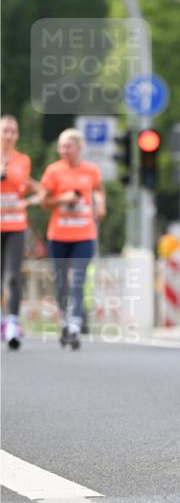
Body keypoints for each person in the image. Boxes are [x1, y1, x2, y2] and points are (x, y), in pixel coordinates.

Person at [40, 128, 106, 349]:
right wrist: (63, 199)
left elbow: (98, 190)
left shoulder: (91, 171)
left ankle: (75, 326)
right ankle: (65, 321)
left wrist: (101, 205)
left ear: (79, 148)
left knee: (78, 279)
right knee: (61, 282)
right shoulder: (53, 171)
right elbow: (44, 202)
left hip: (84, 235)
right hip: (58, 235)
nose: (63, 151)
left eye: (67, 146)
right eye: (61, 147)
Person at [0, 115, 43, 349]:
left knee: (12, 276)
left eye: (12, 131)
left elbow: (28, 187)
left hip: (15, 226)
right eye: (4, 130)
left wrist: (32, 200)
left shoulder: (22, 160)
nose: (8, 135)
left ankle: (13, 325)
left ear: (17, 135)